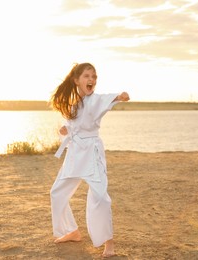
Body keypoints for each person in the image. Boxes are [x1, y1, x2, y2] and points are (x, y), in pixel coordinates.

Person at [49, 62, 130, 258]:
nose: (91, 80)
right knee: (57, 192)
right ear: (76, 80)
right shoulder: (74, 103)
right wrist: (65, 129)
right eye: (87, 76)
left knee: (100, 196)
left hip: (92, 152)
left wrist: (120, 96)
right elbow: (72, 123)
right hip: (75, 151)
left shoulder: (96, 100)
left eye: (94, 76)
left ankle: (108, 243)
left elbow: (108, 100)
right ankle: (71, 231)